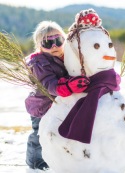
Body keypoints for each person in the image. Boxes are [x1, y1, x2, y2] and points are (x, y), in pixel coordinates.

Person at [25, 21, 90, 171]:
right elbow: (49, 85)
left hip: (61, 103)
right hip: (42, 106)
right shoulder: (38, 63)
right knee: (40, 134)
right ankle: (35, 162)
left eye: (58, 40)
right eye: (47, 43)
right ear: (39, 46)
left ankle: (59, 158)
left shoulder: (69, 56)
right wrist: (67, 86)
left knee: (60, 132)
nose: (54, 46)